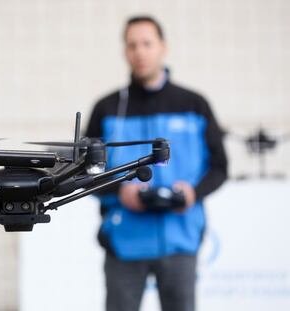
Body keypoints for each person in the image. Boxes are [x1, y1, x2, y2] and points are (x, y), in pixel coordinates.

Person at [85, 15, 228, 311]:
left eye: (147, 43)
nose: (140, 51)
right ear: (125, 51)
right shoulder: (108, 108)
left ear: (163, 47)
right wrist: (119, 192)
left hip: (180, 238)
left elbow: (219, 167)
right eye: (132, 45)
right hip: (125, 240)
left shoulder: (194, 105)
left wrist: (192, 193)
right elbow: (86, 172)